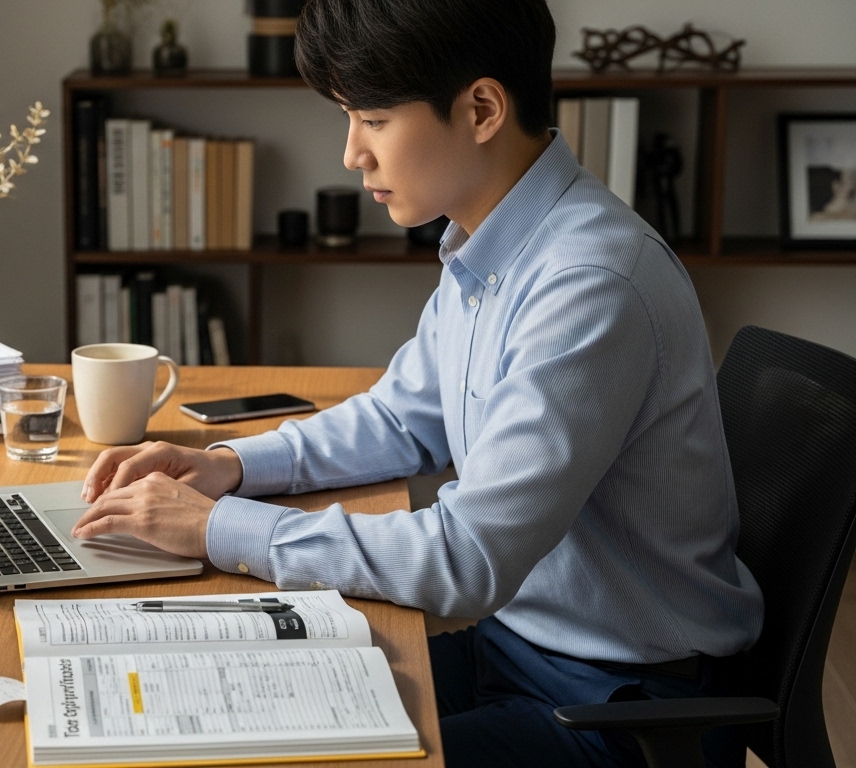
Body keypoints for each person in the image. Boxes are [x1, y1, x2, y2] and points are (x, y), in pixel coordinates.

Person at [71, 0, 763, 765]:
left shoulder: (589, 282)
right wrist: (229, 467)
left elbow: (465, 559)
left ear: (482, 109)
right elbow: (403, 419)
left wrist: (212, 528)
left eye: (372, 119)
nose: (350, 155)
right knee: (230, 704)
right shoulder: (493, 244)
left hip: (624, 708)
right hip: (516, 648)